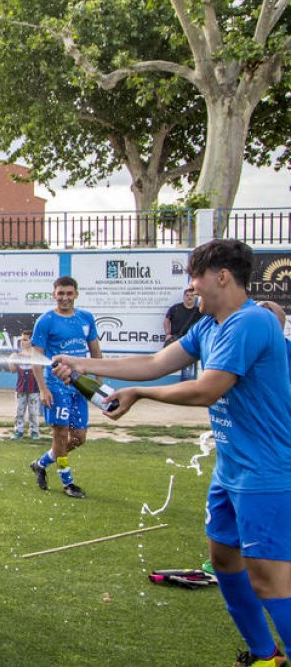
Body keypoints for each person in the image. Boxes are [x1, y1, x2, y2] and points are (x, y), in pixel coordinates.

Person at [53, 240, 291, 667]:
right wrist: (85, 365)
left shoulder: (250, 322)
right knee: (223, 559)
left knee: (270, 581)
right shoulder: (208, 325)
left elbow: (207, 389)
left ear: (221, 276)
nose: (191, 286)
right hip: (231, 470)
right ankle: (263, 655)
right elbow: (157, 361)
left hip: (268, 472)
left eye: (195, 276)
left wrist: (140, 394)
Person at [27, 276, 102, 499]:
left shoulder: (86, 318)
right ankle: (68, 482)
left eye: (69, 293)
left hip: (79, 385)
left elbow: (96, 353)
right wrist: (43, 389)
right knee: (60, 435)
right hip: (56, 386)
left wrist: (98, 382)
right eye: (60, 293)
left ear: (76, 294)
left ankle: (41, 463)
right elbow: (36, 358)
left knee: (79, 437)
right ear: (54, 294)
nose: (65, 298)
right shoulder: (46, 321)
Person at [165, 287, 203, 380]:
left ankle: (185, 387)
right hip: (176, 341)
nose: (189, 297)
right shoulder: (176, 308)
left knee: (187, 369)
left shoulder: (199, 311)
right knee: (167, 363)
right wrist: (168, 333)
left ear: (195, 298)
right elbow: (167, 320)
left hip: (190, 342)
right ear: (183, 296)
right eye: (187, 295)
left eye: (192, 295)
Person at [10, 332, 41, 440]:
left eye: (25, 340)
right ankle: (19, 430)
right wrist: (11, 361)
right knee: (19, 411)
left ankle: (35, 431)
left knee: (34, 412)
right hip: (21, 388)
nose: (22, 342)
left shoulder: (37, 355)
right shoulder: (17, 355)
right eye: (21, 339)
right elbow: (13, 370)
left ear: (31, 341)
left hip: (34, 389)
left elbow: (40, 370)